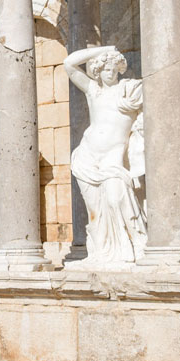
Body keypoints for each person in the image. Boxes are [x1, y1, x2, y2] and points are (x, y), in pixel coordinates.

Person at [62, 45, 146, 269]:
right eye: (104, 69)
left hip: (112, 158)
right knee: (95, 212)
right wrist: (106, 48)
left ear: (119, 69)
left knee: (117, 198)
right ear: (97, 71)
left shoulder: (129, 90)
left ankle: (136, 246)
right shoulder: (94, 91)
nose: (109, 73)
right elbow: (69, 63)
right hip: (87, 156)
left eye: (113, 69)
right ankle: (101, 254)